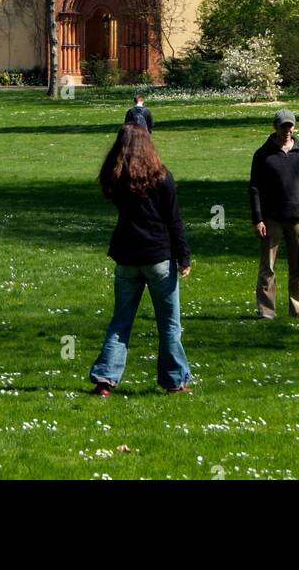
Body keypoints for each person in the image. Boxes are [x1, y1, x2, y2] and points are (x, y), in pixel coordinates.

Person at [89, 123, 192, 396]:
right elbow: (174, 220)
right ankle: (175, 380)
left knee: (121, 321)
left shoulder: (117, 178)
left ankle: (105, 379)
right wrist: (184, 256)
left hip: (127, 257)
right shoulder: (162, 177)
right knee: (169, 323)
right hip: (158, 256)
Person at [249, 107, 299, 320]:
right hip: (271, 219)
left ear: (294, 127)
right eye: (283, 126)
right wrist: (258, 218)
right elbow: (254, 188)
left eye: (290, 125)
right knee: (267, 267)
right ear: (275, 127)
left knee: (298, 267)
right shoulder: (263, 155)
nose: (287, 130)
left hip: (298, 219)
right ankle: (266, 310)